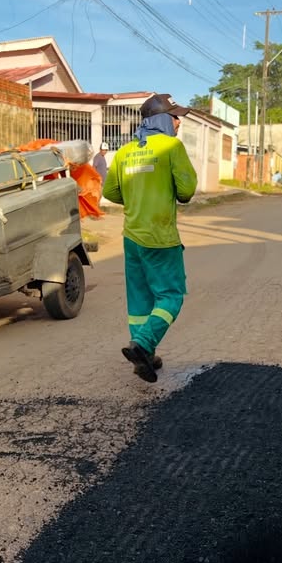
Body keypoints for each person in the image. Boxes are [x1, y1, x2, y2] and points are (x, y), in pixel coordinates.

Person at [103, 93, 197, 383]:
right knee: (171, 295)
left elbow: (110, 192)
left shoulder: (123, 152)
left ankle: (144, 356)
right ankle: (143, 345)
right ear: (161, 120)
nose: (178, 122)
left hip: (131, 237)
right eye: (174, 116)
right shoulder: (171, 147)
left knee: (140, 300)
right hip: (160, 236)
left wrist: (137, 197)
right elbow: (186, 191)